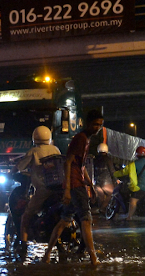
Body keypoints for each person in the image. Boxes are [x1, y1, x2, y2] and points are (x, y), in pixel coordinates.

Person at [44, 109, 103, 265]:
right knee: (86, 219)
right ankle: (93, 259)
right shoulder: (81, 138)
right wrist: (68, 189)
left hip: (78, 183)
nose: (97, 128)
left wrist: (90, 184)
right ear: (88, 123)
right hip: (75, 185)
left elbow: (80, 166)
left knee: (64, 220)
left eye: (100, 125)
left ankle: (47, 254)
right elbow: (68, 162)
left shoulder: (86, 139)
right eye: (95, 124)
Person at [14, 125, 63, 244]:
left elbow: (20, 167)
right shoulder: (55, 149)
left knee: (26, 216)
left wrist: (14, 169)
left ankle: (23, 245)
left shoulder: (34, 151)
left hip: (43, 190)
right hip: (59, 188)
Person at [113, 146, 145, 220]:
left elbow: (123, 172)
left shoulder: (134, 164)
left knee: (133, 200)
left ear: (137, 155)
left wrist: (114, 174)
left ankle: (129, 217)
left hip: (141, 186)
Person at [92, 142, 118, 214]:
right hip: (107, 183)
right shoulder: (108, 159)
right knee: (113, 194)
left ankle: (102, 212)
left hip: (97, 182)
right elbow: (112, 171)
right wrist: (116, 180)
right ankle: (102, 208)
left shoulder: (95, 159)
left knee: (101, 197)